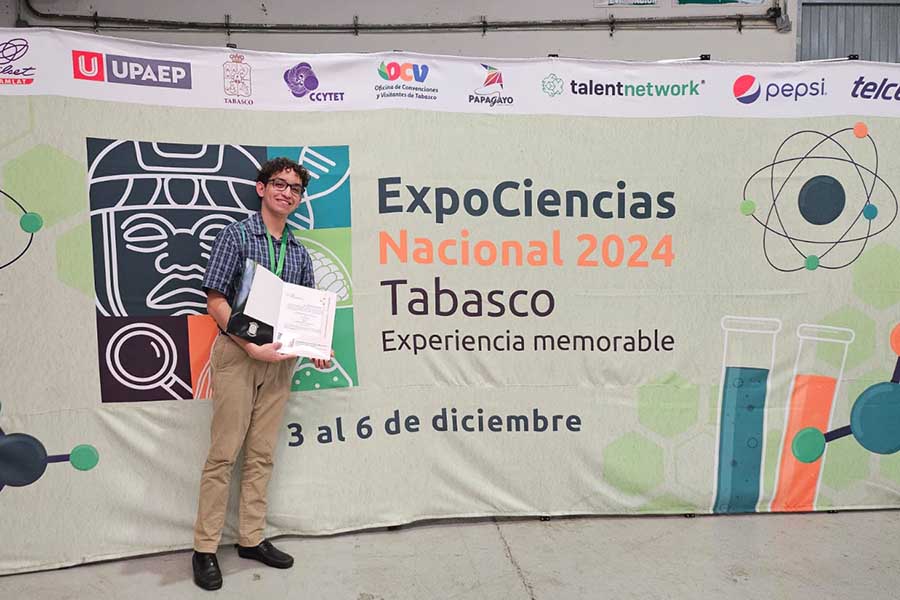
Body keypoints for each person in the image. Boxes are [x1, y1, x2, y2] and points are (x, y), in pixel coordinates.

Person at [191, 157, 331, 591]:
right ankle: (204, 548)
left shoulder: (299, 250)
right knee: (224, 454)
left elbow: (306, 308)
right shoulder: (235, 235)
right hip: (238, 353)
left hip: (282, 360)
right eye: (279, 183)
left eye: (294, 188)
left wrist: (317, 348)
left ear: (299, 198)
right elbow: (215, 300)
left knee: (262, 453)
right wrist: (249, 343)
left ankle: (251, 539)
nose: (286, 192)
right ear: (261, 188)